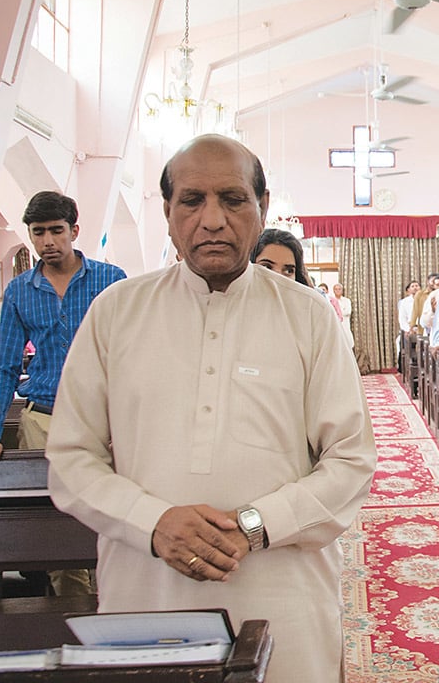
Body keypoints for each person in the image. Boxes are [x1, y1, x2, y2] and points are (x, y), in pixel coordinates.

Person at [45, 134, 376, 683]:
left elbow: (351, 461)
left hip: (283, 592)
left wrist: (254, 526)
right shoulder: (115, 313)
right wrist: (154, 524)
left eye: (233, 198)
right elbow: (71, 460)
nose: (213, 219)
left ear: (261, 207)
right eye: (192, 200)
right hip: (144, 589)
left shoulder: (309, 317)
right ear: (169, 212)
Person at [0, 191, 125, 597]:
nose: (48, 241)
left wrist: (127, 420)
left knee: (108, 520)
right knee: (58, 527)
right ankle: (73, 620)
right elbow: (4, 366)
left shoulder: (111, 280)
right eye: (38, 233)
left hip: (102, 420)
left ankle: (112, 610)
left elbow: (131, 356)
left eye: (57, 231)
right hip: (42, 418)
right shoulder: (21, 291)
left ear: (74, 230)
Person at [332, 282, 354, 348]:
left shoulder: (347, 300)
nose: (338, 291)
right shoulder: (331, 300)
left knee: (348, 345)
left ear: (342, 290)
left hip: (345, 326)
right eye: (336, 289)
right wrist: (340, 311)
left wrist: (337, 311)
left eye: (339, 289)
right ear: (333, 291)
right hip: (335, 326)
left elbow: (348, 312)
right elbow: (332, 313)